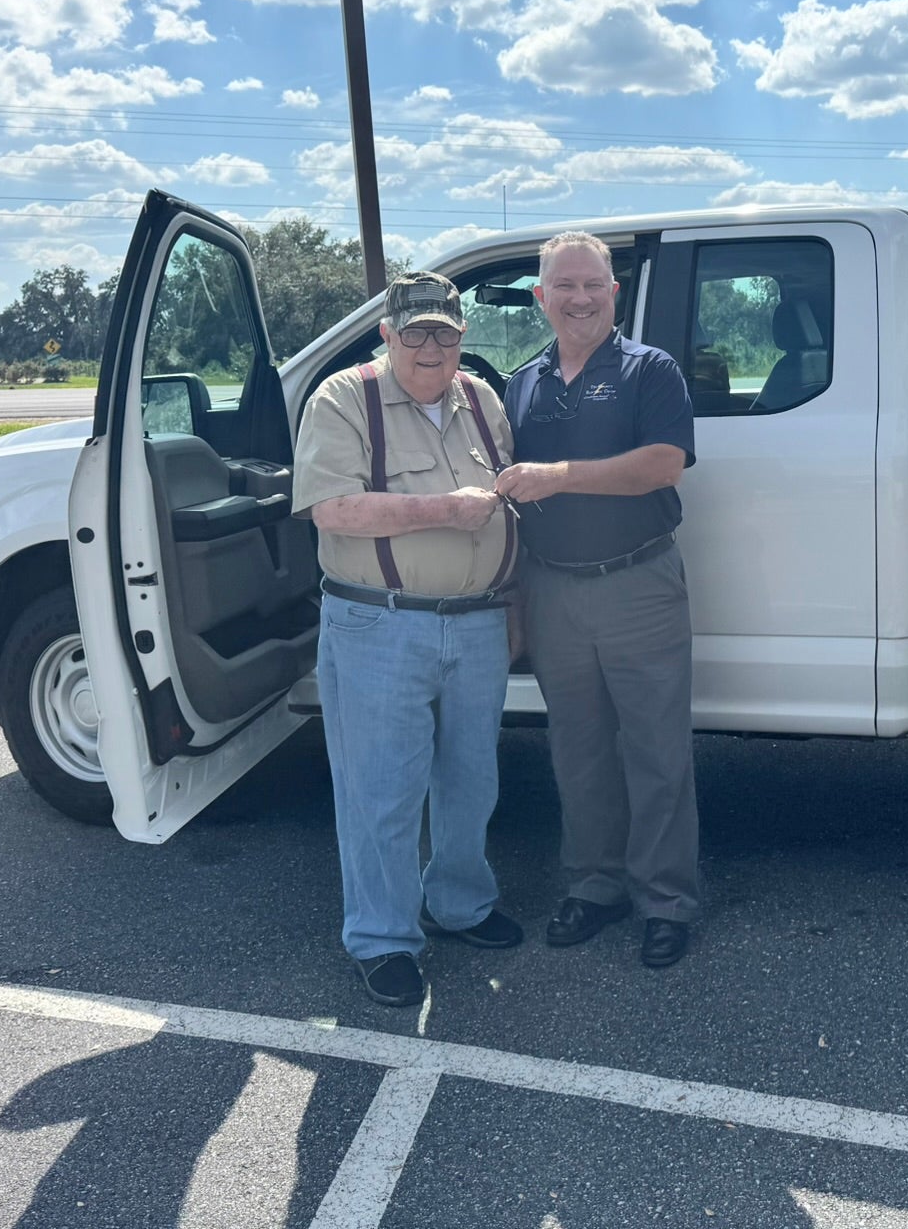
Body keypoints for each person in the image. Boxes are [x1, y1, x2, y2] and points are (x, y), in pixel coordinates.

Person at [291, 271, 520, 1008]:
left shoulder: (482, 399)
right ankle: (383, 937)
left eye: (445, 334)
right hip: (377, 622)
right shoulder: (342, 399)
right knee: (380, 791)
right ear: (386, 335)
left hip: (479, 620)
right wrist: (444, 514)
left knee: (470, 781)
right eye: (415, 332)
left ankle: (459, 905)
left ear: (462, 339)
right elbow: (332, 511)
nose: (431, 347)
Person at [496, 231, 700, 969]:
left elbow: (663, 466)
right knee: (577, 750)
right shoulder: (523, 382)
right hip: (552, 587)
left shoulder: (650, 370)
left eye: (593, 285)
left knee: (656, 751)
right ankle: (593, 885)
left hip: (638, 582)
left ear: (615, 293)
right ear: (540, 297)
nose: (579, 298)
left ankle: (666, 900)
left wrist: (558, 474)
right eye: (564, 286)